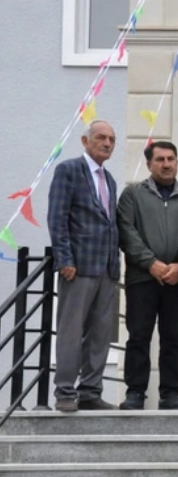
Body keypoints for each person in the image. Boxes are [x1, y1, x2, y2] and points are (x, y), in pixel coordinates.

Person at [46, 120, 121, 412]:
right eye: (101, 137)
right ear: (85, 141)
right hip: (78, 267)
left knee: (100, 335)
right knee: (71, 331)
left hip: (107, 269)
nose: (107, 143)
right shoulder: (69, 170)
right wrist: (64, 258)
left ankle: (90, 391)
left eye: (111, 139)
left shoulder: (109, 179)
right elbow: (57, 217)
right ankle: (65, 391)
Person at [116, 141, 178, 410]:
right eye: (160, 159)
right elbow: (126, 232)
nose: (166, 164)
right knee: (139, 336)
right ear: (149, 164)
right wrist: (151, 263)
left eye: (171, 159)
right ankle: (135, 393)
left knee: (172, 338)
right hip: (142, 279)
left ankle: (170, 395)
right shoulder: (133, 194)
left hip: (177, 280)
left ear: (177, 163)